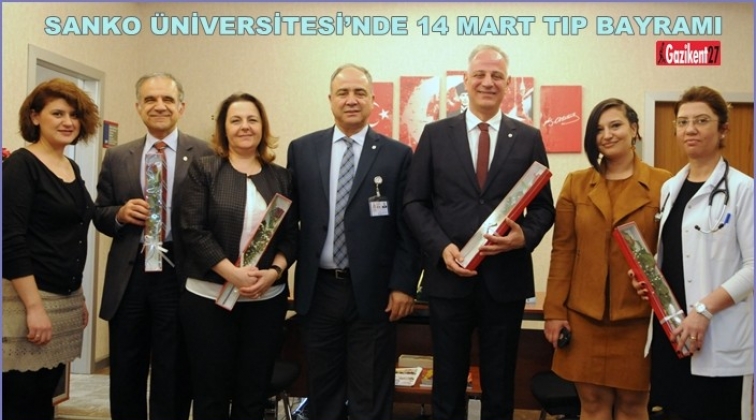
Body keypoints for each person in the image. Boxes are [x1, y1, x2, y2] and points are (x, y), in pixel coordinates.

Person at [403, 45, 555, 420]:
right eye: (480, 75)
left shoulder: (528, 138)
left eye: (497, 76)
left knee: (500, 386)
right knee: (447, 383)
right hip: (448, 280)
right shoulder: (435, 135)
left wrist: (524, 237)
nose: (488, 82)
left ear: (508, 84)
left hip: (505, 281)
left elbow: (543, 208)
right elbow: (414, 202)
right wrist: (441, 247)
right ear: (466, 81)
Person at [287, 64, 421, 420]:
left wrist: (404, 284)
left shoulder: (397, 155)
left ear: (373, 100)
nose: (351, 100)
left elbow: (408, 229)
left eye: (360, 93)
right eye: (343, 93)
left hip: (375, 294)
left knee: (370, 395)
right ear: (330, 99)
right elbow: (288, 221)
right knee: (323, 395)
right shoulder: (302, 150)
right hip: (319, 292)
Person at [542, 98, 671, 420]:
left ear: (634, 129)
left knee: (633, 406)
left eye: (616, 125)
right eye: (599, 129)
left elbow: (672, 251)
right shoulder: (576, 183)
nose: (607, 135)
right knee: (592, 405)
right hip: (584, 316)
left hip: (638, 318)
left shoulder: (663, 183)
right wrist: (554, 312)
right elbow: (563, 251)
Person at [93, 72, 213, 420]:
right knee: (126, 367)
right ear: (138, 107)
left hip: (179, 273)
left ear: (181, 107)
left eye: (167, 100)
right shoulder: (118, 156)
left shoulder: (205, 154)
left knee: (173, 369)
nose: (159, 106)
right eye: (150, 100)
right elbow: (99, 213)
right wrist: (119, 214)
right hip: (130, 275)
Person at [633, 86, 753, 420]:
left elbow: (753, 267)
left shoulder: (743, 189)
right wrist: (648, 280)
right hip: (673, 334)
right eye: (683, 122)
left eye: (702, 120)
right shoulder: (670, 187)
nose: (690, 129)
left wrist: (703, 310)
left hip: (717, 337)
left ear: (723, 129)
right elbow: (673, 258)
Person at [178, 92, 297, 419]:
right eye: (236, 120)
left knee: (253, 395)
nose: (245, 126)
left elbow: (291, 237)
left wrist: (274, 272)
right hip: (209, 300)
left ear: (263, 127)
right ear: (223, 128)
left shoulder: (281, 177)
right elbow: (193, 230)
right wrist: (233, 274)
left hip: (265, 301)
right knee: (211, 395)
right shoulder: (205, 169)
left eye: (252, 120)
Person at [2, 78, 99, 420]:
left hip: (65, 299)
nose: (68, 122)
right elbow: (10, 240)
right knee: (20, 402)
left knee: (44, 399)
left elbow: (70, 237)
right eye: (57, 113)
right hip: (28, 300)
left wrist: (79, 294)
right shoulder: (20, 165)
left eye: (74, 114)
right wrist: (34, 307)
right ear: (34, 116)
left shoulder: (71, 166)